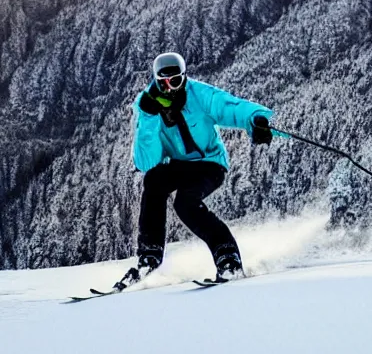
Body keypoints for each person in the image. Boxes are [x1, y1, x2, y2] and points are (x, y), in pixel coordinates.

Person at [119, 52, 277, 288]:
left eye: (176, 81)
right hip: (177, 165)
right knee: (153, 182)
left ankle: (227, 256)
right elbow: (145, 162)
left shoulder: (199, 95)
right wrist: (150, 119)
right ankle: (149, 254)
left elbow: (231, 107)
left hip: (209, 163)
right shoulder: (147, 106)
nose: (170, 88)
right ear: (155, 80)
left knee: (185, 203)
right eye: (163, 83)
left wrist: (256, 120)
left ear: (184, 77)